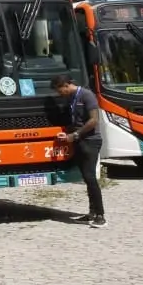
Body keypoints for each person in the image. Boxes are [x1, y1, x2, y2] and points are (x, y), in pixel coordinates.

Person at [51, 73, 106, 228]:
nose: (59, 94)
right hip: (79, 141)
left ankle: (101, 215)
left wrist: (74, 135)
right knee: (86, 177)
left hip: (91, 141)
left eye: (59, 90)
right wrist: (68, 133)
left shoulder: (86, 95)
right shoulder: (70, 98)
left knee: (90, 177)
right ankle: (91, 213)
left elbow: (94, 119)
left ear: (66, 85)